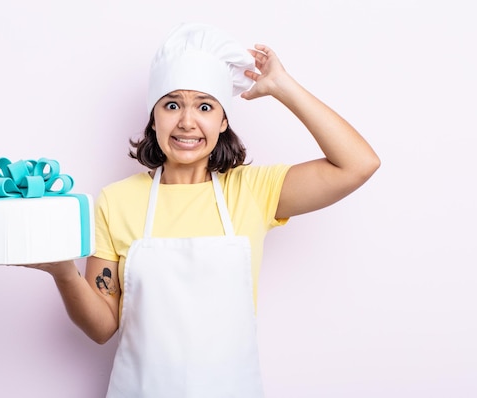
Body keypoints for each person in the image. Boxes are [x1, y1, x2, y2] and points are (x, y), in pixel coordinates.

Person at [26, 22, 380, 397]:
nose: (187, 122)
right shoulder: (117, 200)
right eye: (172, 104)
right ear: (154, 117)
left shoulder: (253, 190)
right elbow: (101, 328)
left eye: (205, 106)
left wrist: (283, 87)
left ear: (223, 120)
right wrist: (64, 273)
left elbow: (358, 164)